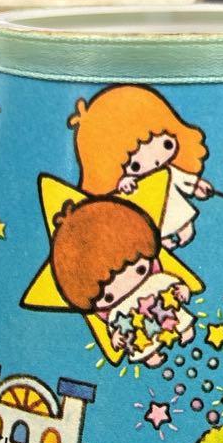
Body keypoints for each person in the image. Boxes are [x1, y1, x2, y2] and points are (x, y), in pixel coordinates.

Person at [50, 197, 195, 367]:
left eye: (139, 269)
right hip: (139, 332)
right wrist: (116, 337)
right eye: (108, 296)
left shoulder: (154, 281)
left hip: (165, 310)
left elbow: (170, 282)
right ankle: (150, 356)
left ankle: (186, 330)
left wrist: (182, 289)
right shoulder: (115, 312)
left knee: (178, 315)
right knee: (139, 343)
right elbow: (115, 326)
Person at [69, 84, 213, 249]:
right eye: (135, 165)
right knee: (154, 236)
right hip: (150, 216)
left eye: (166, 144)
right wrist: (125, 184)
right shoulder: (133, 184)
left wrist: (197, 185)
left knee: (186, 231)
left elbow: (184, 179)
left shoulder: (168, 171)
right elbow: (122, 197)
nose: (156, 162)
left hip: (176, 210)